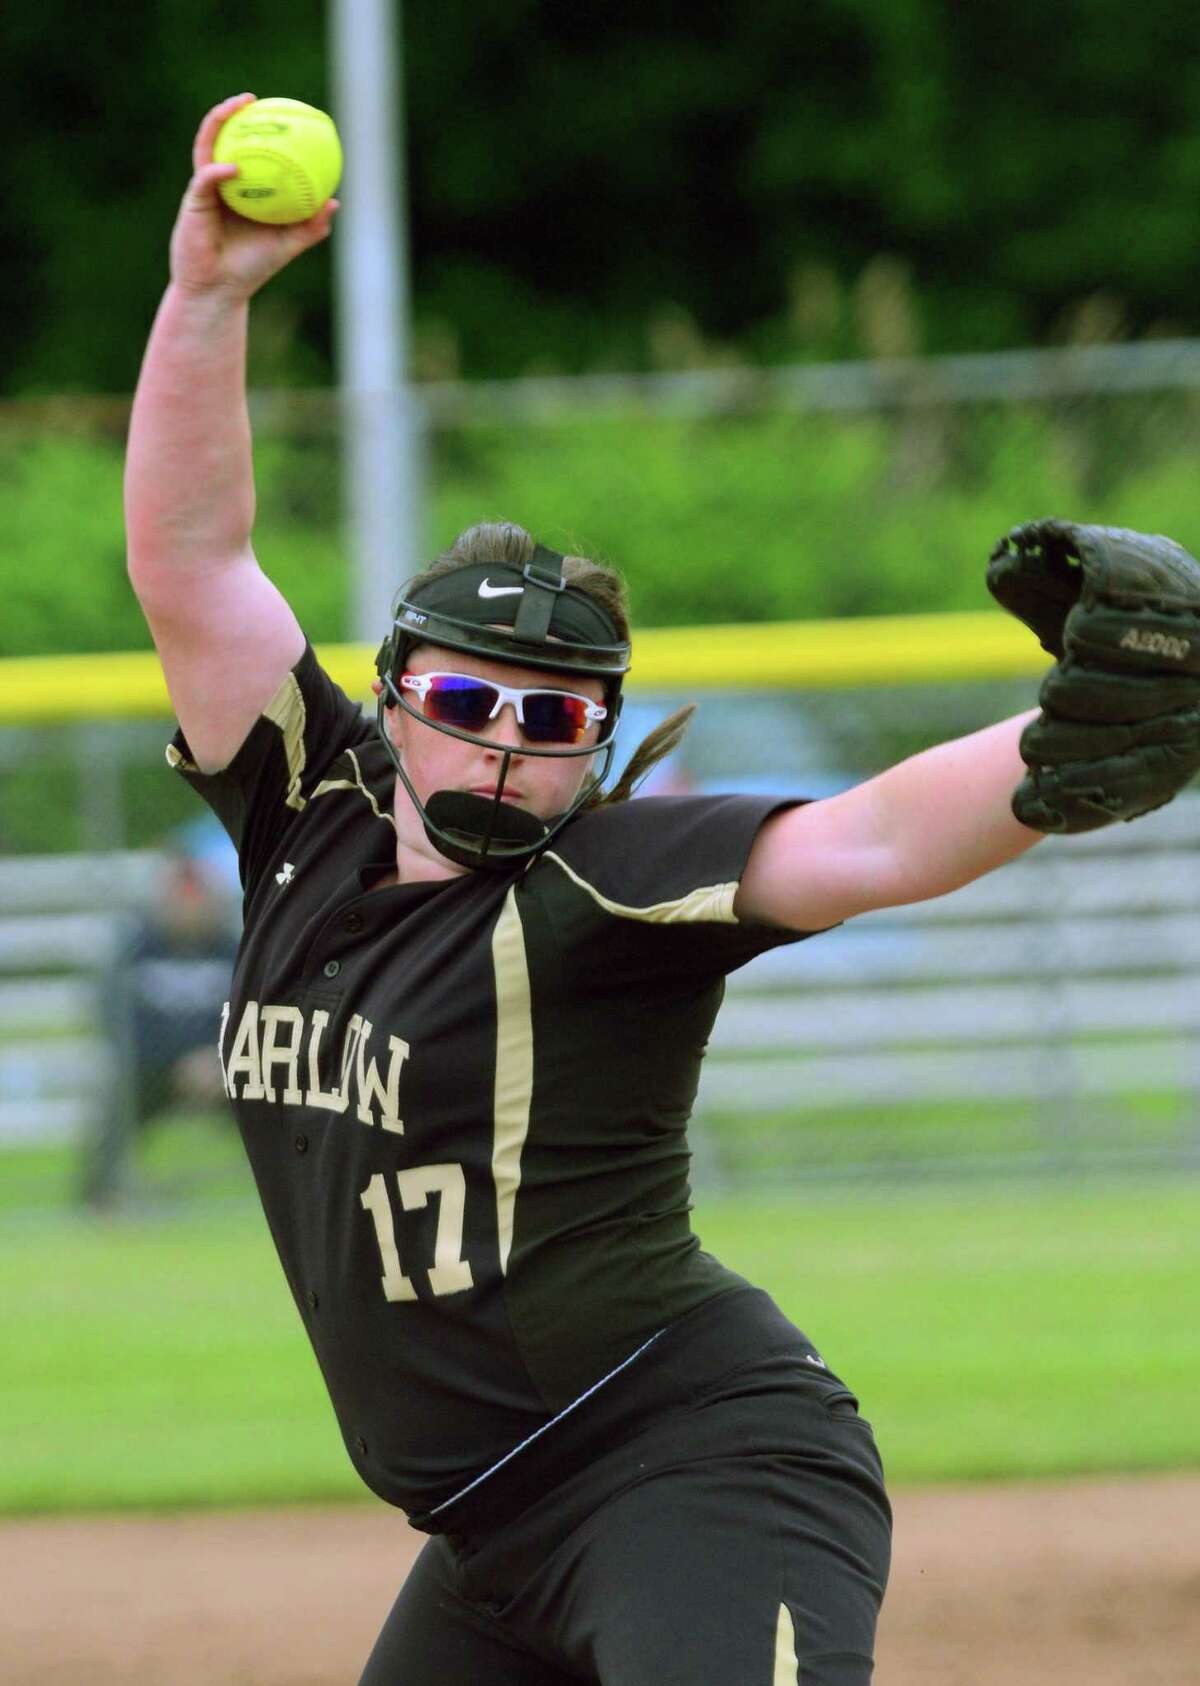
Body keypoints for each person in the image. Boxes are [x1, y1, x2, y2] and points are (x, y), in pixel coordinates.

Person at [124, 94, 1200, 1686]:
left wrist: (1069, 731)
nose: (503, 746)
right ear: (397, 689)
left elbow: (871, 838)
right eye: (467, 700)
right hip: (493, 1536)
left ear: (599, 745)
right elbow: (197, 558)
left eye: (552, 720)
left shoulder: (602, 883)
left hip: (695, 1473)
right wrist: (208, 297)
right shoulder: (301, 808)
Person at [81, 822, 239, 1211]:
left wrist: (217, 1058)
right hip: (151, 1070)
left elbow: (257, 1011)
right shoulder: (136, 950)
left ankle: (301, 1194)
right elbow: (115, 1018)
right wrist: (174, 1060)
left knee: (279, 1098)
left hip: (224, 1069)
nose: (188, 906)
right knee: (116, 1105)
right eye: (179, 896)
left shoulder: (235, 951)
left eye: (196, 896)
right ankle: (100, 1198)